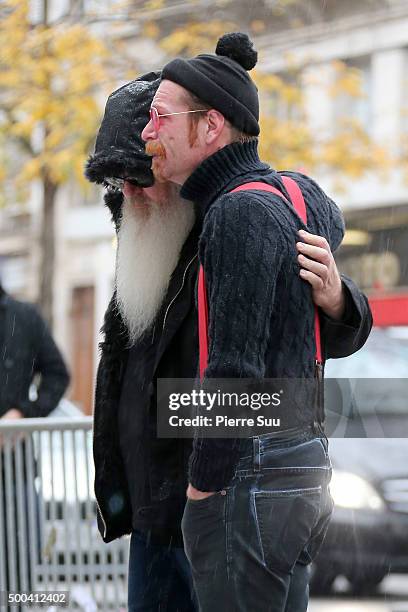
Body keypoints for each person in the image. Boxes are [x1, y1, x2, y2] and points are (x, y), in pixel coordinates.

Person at [87, 68, 372, 611]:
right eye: (116, 183)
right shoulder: (144, 249)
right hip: (154, 516)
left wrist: (339, 299)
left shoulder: (235, 217)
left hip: (215, 503)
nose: (129, 193)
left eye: (140, 177)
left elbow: (282, 353)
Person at [0, 279, 70, 593]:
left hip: (15, 470)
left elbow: (58, 374)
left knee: (18, 576)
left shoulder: (23, 318)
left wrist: (22, 415)